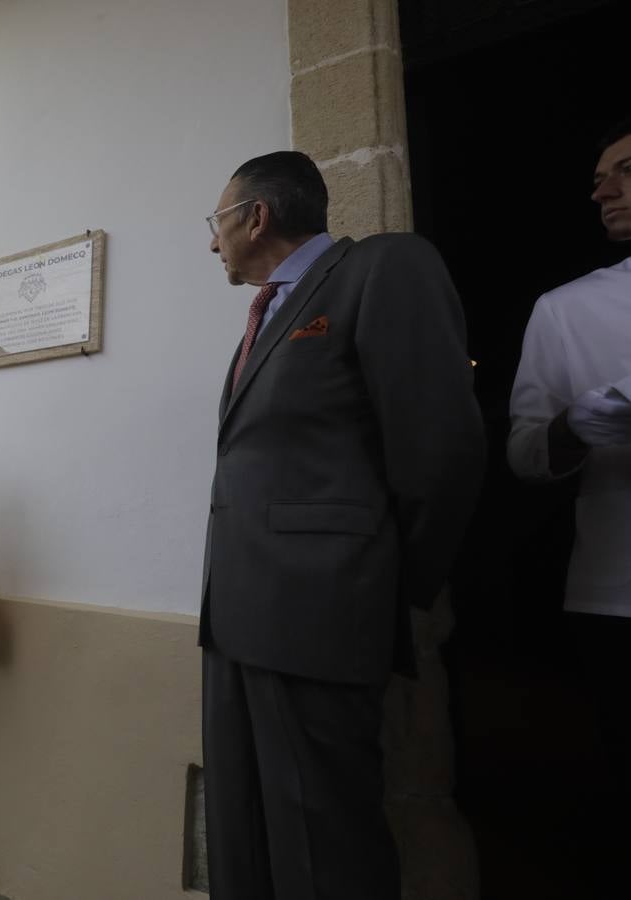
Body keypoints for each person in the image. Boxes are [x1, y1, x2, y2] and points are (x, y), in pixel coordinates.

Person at [200, 151, 485, 900]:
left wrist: (385, 587)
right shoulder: (263, 318)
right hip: (234, 621)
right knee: (246, 834)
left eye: (217, 222)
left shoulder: (383, 269)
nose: (212, 242)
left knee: (324, 848)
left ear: (256, 216)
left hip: (317, 619)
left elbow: (442, 452)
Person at [508, 116, 631, 797]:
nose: (602, 191)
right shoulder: (566, 311)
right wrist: (577, 424)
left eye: (627, 170)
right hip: (620, 594)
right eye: (597, 178)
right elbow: (525, 454)